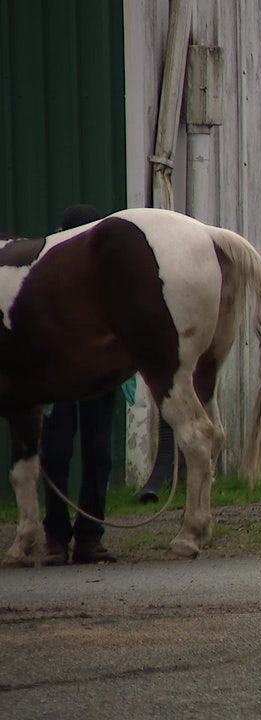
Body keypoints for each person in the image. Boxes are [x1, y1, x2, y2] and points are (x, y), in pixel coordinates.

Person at [40, 204, 122, 564]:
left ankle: (86, 536)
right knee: (60, 452)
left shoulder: (111, 279)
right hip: (59, 375)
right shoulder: (49, 277)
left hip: (97, 375)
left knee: (96, 453)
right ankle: (57, 535)